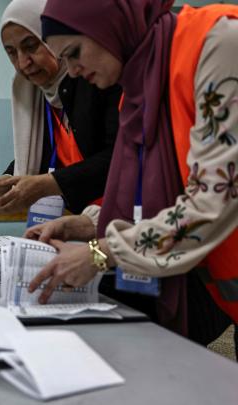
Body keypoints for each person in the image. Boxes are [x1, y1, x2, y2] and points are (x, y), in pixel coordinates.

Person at [27, 0, 238, 347]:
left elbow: (214, 200)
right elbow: (149, 203)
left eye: (74, 52)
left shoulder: (217, 45)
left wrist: (100, 253)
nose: (73, 71)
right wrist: (82, 224)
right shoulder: (140, 90)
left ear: (108, 25)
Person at [0, 0, 121, 216]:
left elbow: (118, 159)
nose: (23, 63)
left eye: (31, 45)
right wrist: (1, 183)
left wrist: (48, 183)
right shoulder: (37, 94)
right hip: (81, 217)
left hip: (124, 217)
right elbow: (39, 159)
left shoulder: (96, 79)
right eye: (12, 53)